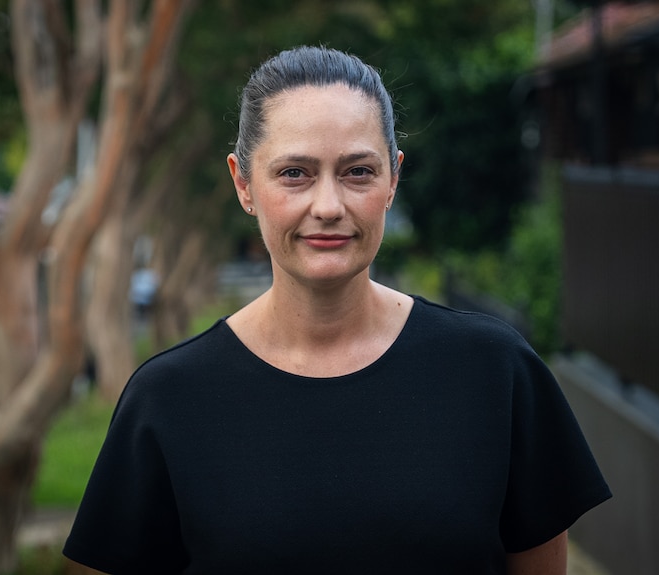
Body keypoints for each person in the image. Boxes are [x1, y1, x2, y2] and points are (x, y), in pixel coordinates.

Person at [63, 45, 611, 574]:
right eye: (294, 173)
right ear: (243, 183)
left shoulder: (495, 372)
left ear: (393, 178)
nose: (328, 206)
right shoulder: (169, 399)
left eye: (358, 172)